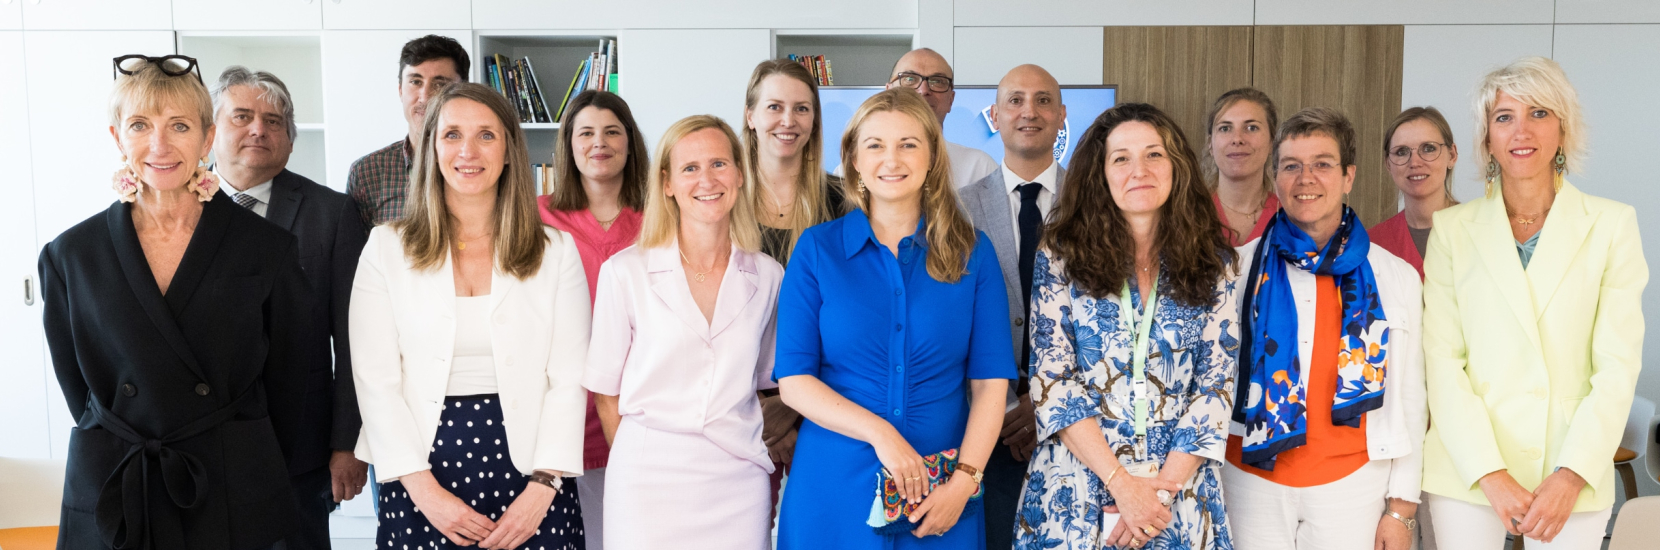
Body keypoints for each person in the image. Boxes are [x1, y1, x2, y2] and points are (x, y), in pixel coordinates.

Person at [40, 54, 314, 549]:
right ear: (117, 137)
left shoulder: (265, 247)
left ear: (206, 139)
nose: (160, 145)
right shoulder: (70, 255)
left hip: (230, 479)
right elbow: (78, 389)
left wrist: (251, 457)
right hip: (119, 478)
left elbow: (293, 382)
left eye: (180, 125)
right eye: (140, 125)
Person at [350, 83, 589, 550]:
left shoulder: (556, 252)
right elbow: (375, 381)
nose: (468, 151)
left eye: (486, 135)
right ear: (432, 147)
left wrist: (544, 486)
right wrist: (422, 490)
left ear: (508, 152)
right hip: (418, 474)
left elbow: (570, 377)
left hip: (535, 475)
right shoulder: (385, 248)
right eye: (452, 134)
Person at [775, 88, 1015, 549]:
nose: (892, 159)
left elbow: (989, 385)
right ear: (854, 160)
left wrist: (964, 482)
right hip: (833, 488)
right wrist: (881, 433)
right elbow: (794, 381)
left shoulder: (974, 252)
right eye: (875, 145)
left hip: (942, 494)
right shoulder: (816, 250)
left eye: (908, 144)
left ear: (931, 157)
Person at [1422, 57, 1646, 550]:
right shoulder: (1452, 231)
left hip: (1572, 466)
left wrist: (1571, 474)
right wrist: (1490, 473)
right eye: (1504, 117)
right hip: (1469, 465)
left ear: (1563, 129)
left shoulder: (1611, 225)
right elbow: (1441, 363)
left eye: (1539, 113)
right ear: (1486, 139)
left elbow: (1617, 366)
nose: (1521, 130)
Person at [1015, 102, 1238, 550]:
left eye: (1154, 154)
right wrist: (1121, 483)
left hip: (1179, 495)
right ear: (1101, 173)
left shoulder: (1215, 264)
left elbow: (1217, 385)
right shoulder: (1059, 256)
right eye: (1121, 158)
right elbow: (1052, 379)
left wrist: (1156, 494)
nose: (1140, 170)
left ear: (1177, 168)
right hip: (1076, 493)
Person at [1224, 107, 1426, 550]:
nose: (1305, 178)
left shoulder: (1394, 276)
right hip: (1248, 480)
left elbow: (1411, 397)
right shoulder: (1234, 271)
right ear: (1275, 178)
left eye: (1322, 164)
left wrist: (1402, 508)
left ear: (1348, 175)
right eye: (1291, 166)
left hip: (1354, 484)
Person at [585, 115, 783, 550]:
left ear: (740, 175)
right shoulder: (625, 271)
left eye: (718, 164)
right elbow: (606, 394)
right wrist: (637, 466)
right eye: (689, 168)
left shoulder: (769, 276)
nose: (707, 179)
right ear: (668, 183)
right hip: (646, 480)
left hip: (737, 478)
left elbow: (767, 379)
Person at [209, 65, 370, 550]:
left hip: (300, 443)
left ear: (290, 139)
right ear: (210, 130)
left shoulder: (333, 213)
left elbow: (354, 338)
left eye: (274, 121)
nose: (259, 128)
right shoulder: (175, 207)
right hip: (200, 441)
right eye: (242, 116)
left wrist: (348, 444)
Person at [956, 63, 1067, 550]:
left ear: (1062, 116)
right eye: (1016, 100)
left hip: (1073, 423)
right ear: (995, 115)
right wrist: (1001, 405)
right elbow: (949, 320)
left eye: (1044, 100)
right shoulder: (955, 209)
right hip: (982, 427)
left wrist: (1044, 401)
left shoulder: (1095, 204)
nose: (1030, 111)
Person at [539, 89, 650, 550]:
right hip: (561, 401)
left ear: (630, 143)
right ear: (568, 144)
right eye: (585, 132)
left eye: (611, 131)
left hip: (636, 400)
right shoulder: (537, 216)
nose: (598, 142)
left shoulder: (658, 218)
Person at [739, 58, 849, 513]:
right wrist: (763, 408)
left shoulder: (846, 201)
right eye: (775, 107)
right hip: (738, 412)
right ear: (750, 115)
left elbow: (853, 315)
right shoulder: (720, 197)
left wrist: (796, 406)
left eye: (802, 109)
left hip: (826, 406)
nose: (788, 121)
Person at [346, 34, 469, 227]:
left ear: (463, 92)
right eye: (415, 82)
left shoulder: (479, 164)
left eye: (440, 84)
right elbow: (357, 254)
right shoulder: (367, 173)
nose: (425, 97)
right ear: (400, 90)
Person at [885, 48, 999, 188]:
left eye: (937, 81)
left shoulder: (979, 168)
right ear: (888, 93)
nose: (924, 90)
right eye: (909, 79)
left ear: (951, 100)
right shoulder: (867, 164)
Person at [1371, 107, 1459, 279]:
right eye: (1401, 152)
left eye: (1428, 148)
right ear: (1388, 164)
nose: (1415, 162)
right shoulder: (1372, 245)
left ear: (1452, 155)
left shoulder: (1480, 233)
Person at [1202, 88, 1281, 246]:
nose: (1237, 139)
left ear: (1272, 142)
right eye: (1225, 128)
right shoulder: (1186, 215)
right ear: (1210, 144)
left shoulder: (1290, 217)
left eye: (1251, 128)